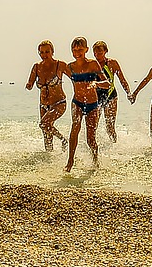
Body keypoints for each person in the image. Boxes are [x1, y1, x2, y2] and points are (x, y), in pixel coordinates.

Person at [62, 37, 107, 172]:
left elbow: (107, 83)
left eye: (80, 50)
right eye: (74, 50)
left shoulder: (93, 64)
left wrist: (96, 83)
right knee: (75, 128)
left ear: (86, 50)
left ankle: (95, 161)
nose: (77, 52)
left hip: (92, 104)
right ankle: (70, 161)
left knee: (90, 138)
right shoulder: (70, 67)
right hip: (77, 102)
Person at [25, 40, 68, 152]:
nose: (44, 55)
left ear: (52, 51)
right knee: (47, 135)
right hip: (43, 105)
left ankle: (63, 140)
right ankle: (49, 161)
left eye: (47, 52)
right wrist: (29, 85)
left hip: (59, 103)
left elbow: (75, 78)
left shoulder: (60, 65)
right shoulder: (37, 67)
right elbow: (30, 83)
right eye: (42, 52)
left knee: (44, 124)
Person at [91, 41, 131, 144]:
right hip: (96, 98)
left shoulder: (112, 63)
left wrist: (128, 93)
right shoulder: (91, 65)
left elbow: (122, 79)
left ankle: (114, 145)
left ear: (105, 51)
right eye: (95, 52)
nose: (97, 54)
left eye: (100, 52)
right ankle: (93, 145)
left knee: (110, 126)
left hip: (111, 96)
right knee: (93, 125)